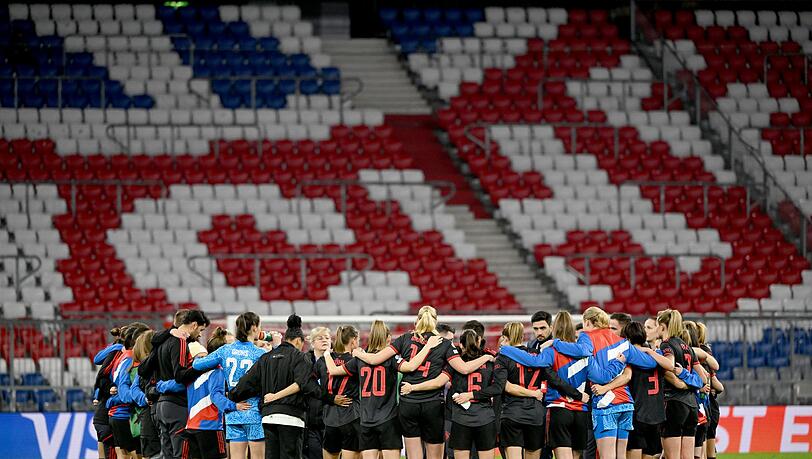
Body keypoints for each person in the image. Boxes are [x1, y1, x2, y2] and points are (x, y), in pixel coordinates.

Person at [350, 306, 493, 459]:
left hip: (408, 404)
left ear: (417, 320)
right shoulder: (444, 343)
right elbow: (464, 369)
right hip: (432, 404)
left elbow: (374, 359)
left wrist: (358, 353)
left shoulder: (404, 338)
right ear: (435, 321)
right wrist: (486, 357)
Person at [324, 320, 443, 459]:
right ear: (388, 339)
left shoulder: (359, 359)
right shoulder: (392, 359)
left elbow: (333, 370)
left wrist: (326, 354)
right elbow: (411, 366)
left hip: (366, 420)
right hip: (389, 419)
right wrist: (428, 346)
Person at [403, 329, 507, 459]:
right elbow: (497, 388)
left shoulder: (454, 364)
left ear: (461, 345)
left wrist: (413, 387)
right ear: (479, 342)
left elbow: (437, 382)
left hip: (460, 418)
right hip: (485, 417)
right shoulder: (490, 362)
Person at [229, 314, 322, 459]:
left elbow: (247, 383)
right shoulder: (300, 357)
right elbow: (304, 384)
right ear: (298, 341)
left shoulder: (265, 358)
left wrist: (234, 396)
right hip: (292, 418)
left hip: (268, 418)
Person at [496, 320, 587, 459]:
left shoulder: (502, 356)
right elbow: (554, 379)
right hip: (535, 414)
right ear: (523, 337)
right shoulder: (538, 355)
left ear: (505, 337)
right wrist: (577, 394)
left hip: (512, 412)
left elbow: (506, 386)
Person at [192, 312, 267, 459]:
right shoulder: (260, 353)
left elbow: (197, 364)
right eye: (259, 326)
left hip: (233, 414)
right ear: (253, 327)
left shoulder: (225, 350)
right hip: (253, 412)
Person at [153, 310, 210, 459]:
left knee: (167, 455)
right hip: (177, 406)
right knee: (181, 455)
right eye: (201, 330)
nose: (200, 335)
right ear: (194, 325)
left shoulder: (162, 342)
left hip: (162, 405)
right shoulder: (180, 342)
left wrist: (160, 386)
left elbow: (146, 369)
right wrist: (200, 367)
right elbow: (180, 376)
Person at [656, 310, 708, 459]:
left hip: (674, 403)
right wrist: (688, 383)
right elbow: (704, 378)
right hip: (691, 406)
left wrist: (679, 383)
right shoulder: (687, 347)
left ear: (662, 326)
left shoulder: (666, 344)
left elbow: (669, 365)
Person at [106, 323, 151, 459]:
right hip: (126, 414)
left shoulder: (122, 358)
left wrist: (110, 400)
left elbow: (118, 385)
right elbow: (125, 391)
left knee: (125, 455)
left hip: (120, 414)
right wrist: (141, 398)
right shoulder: (129, 360)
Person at [622, 322, 665, 459]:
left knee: (633, 452)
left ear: (627, 338)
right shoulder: (658, 357)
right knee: (652, 455)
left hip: (638, 413)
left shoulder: (629, 357)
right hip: (657, 414)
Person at [317, 325, 361, 459]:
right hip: (352, 416)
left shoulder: (323, 360)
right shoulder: (357, 360)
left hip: (330, 419)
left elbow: (309, 385)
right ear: (353, 340)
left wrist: (329, 397)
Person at [93, 326, 127, 459]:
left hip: (104, 411)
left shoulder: (120, 353)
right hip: (110, 410)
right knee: (118, 452)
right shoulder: (118, 351)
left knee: (105, 453)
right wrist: (116, 347)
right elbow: (97, 360)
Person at [131, 331, 161, 459]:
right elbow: (134, 389)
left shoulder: (161, 362)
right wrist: (145, 398)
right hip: (148, 415)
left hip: (158, 412)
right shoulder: (142, 367)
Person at [303, 327, 331, 459]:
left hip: (330, 418)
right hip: (310, 419)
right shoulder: (304, 360)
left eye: (327, 337)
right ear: (312, 343)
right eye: (320, 338)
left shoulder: (336, 360)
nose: (324, 340)